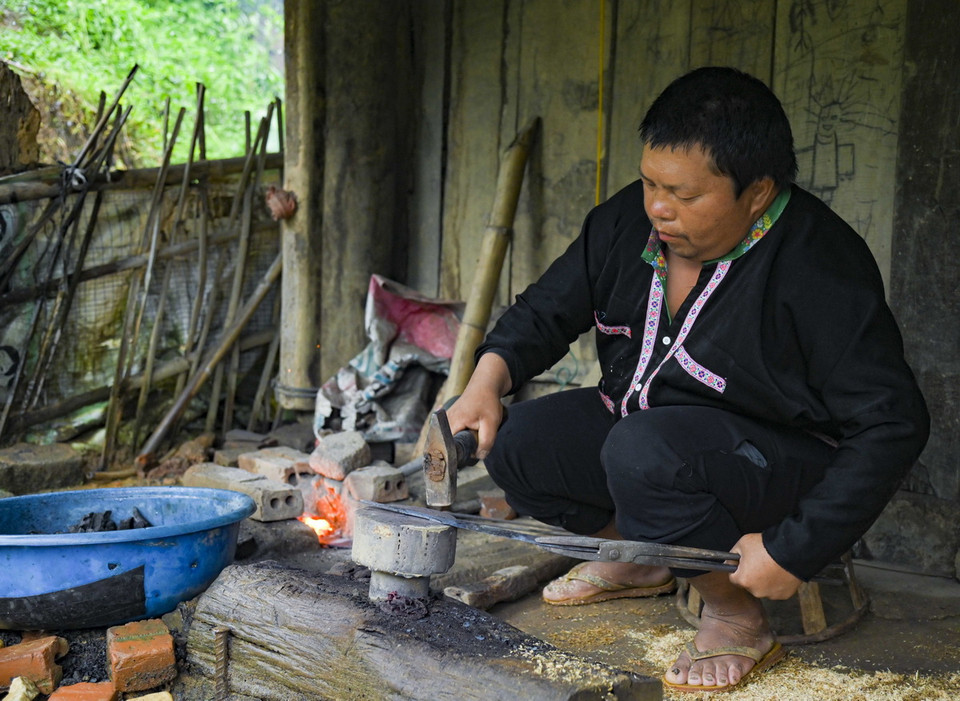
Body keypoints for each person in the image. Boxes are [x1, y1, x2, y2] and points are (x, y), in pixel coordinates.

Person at [444, 66, 929, 693]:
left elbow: (893, 423)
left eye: (685, 195)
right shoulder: (628, 222)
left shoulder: (818, 262)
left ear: (756, 193)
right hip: (647, 438)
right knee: (518, 443)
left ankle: (735, 615)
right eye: (650, 183)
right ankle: (642, 560)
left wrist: (797, 547)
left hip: (769, 465)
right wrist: (486, 380)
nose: (658, 207)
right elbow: (545, 309)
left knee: (645, 453)